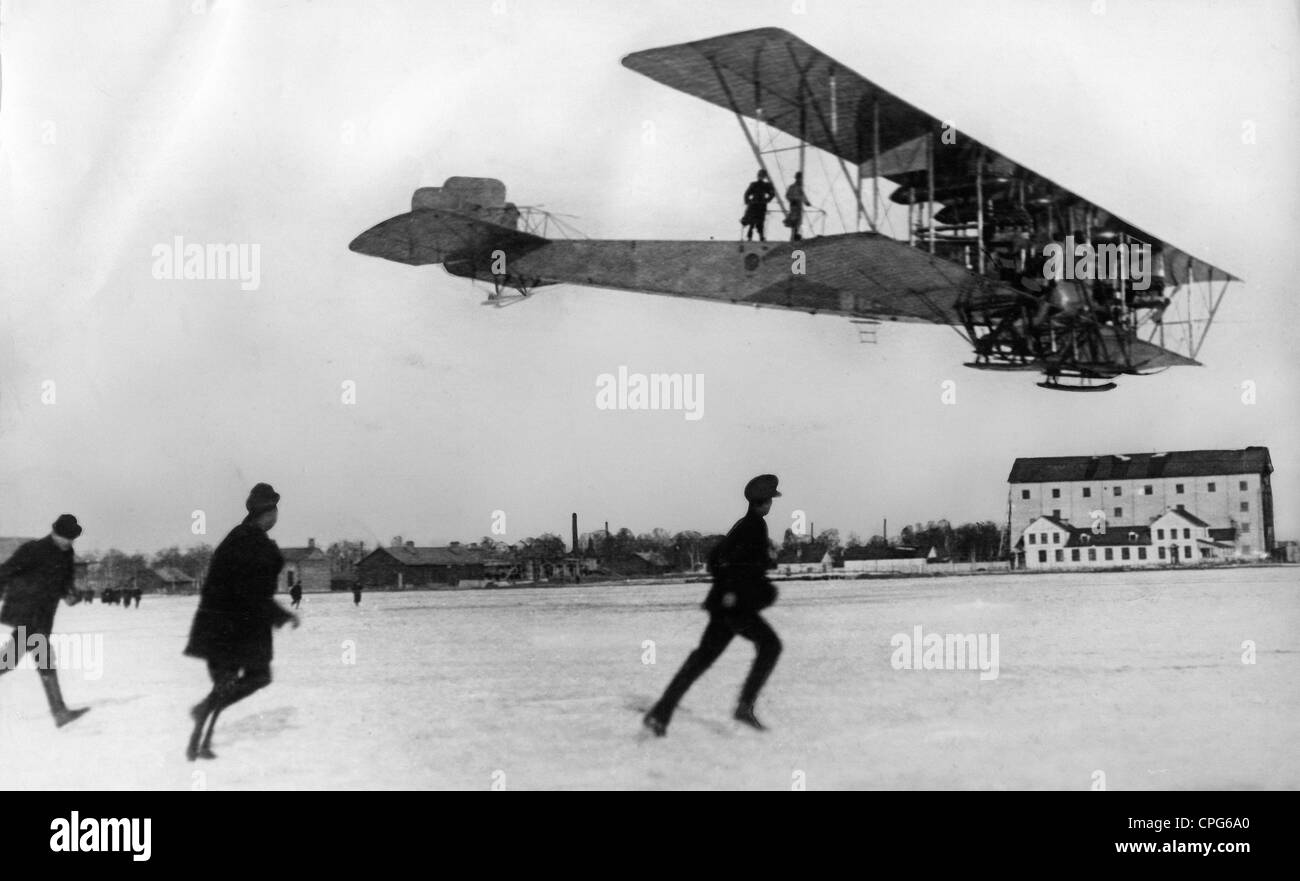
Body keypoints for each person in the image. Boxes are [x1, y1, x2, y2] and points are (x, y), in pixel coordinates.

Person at [643, 475, 784, 736]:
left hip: (725, 606)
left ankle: (660, 713)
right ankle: (744, 705)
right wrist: (731, 590)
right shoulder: (754, 527)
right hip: (735, 607)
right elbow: (729, 562)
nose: (771, 505)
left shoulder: (743, 526)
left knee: (701, 659)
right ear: (764, 503)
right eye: (771, 500)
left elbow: (718, 559)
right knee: (771, 645)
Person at [183, 483, 299, 760]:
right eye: (275, 511)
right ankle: (201, 722)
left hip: (223, 625)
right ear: (269, 512)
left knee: (226, 683)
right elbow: (252, 592)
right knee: (255, 677)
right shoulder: (253, 542)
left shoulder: (239, 536)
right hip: (235, 628)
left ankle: (200, 740)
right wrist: (282, 615)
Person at [0, 515, 91, 728]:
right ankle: (60, 712)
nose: (67, 542)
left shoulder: (67, 553)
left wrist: (70, 593)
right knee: (42, 657)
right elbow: (4, 571)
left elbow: (64, 580)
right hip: (26, 610)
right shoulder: (34, 549)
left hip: (44, 612)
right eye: (64, 538)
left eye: (71, 539)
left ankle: (60, 712)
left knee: (10, 660)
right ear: (55, 533)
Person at [741, 169, 776, 242]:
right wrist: (748, 201)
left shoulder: (764, 185)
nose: (761, 177)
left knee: (758, 221)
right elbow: (746, 194)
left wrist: (767, 200)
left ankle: (758, 236)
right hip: (756, 204)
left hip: (758, 204)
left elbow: (772, 194)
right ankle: (753, 236)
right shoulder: (756, 184)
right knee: (754, 221)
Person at [784, 172, 806, 242]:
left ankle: (795, 235)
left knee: (797, 221)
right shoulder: (793, 187)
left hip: (798, 206)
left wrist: (806, 202)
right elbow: (787, 195)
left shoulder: (798, 187)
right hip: (794, 205)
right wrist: (792, 199)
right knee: (794, 221)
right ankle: (794, 236)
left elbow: (803, 196)